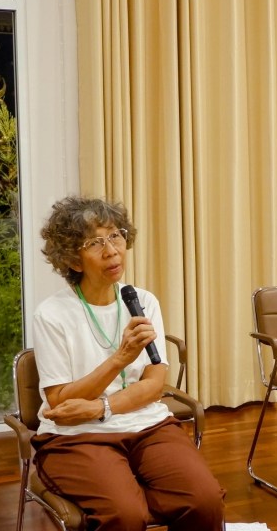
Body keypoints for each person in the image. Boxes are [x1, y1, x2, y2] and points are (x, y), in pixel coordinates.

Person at [31, 196, 225, 530]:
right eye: (94, 243)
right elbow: (60, 402)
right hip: (78, 436)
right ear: (73, 260)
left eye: (115, 236)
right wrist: (120, 359)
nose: (111, 251)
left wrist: (100, 407)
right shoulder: (52, 314)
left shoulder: (143, 301)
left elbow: (154, 385)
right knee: (125, 515)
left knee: (204, 501)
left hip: (147, 426)